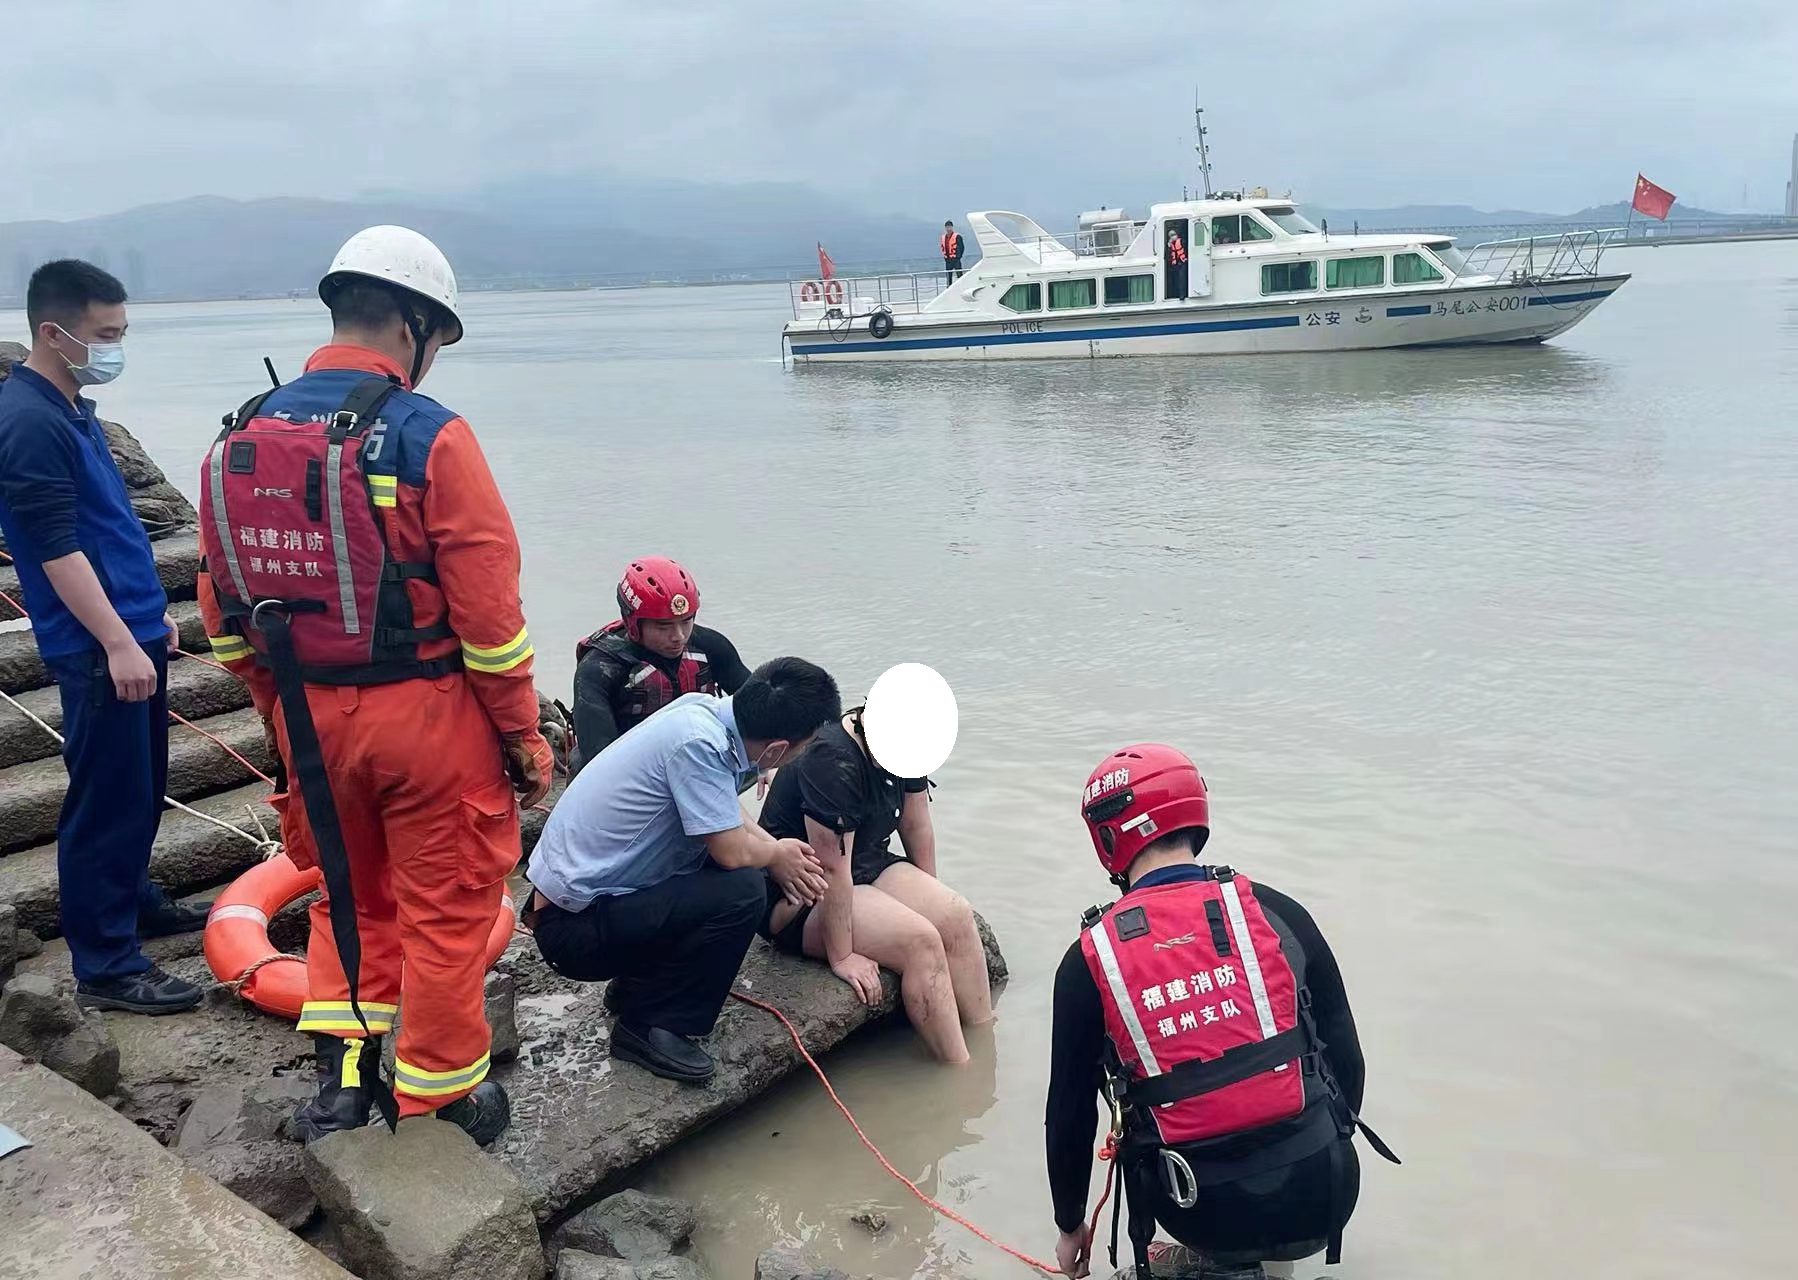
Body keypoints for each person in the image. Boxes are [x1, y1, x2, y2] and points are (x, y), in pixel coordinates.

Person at [196, 225, 553, 1147]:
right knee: (448, 910)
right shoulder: (432, 438)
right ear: (415, 324)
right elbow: (489, 619)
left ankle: (344, 1088)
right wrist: (521, 735)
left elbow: (224, 615)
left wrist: (282, 716)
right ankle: (438, 1099)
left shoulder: (236, 438)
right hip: (427, 719)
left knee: (346, 901)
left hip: (308, 721)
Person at [1045, 745, 1397, 1279]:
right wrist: (1320, 1147)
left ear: (1109, 837)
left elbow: (1069, 1117)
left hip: (1198, 1212)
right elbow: (1347, 1060)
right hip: (1325, 1190)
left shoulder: (1089, 961)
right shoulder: (1276, 911)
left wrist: (1071, 1225)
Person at [0, 259, 208, 1016]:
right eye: (105, 335)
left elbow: (106, 528)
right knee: (107, 797)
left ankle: (136, 902)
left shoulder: (71, 405)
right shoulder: (27, 421)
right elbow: (56, 549)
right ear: (54, 333)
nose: (115, 348)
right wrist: (118, 641)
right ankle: (107, 964)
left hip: (128, 625)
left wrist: (147, 621)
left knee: (142, 785)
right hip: (94, 643)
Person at [523, 658, 841, 1085]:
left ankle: (639, 984)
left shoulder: (702, 714)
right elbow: (730, 850)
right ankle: (651, 1024)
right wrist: (774, 855)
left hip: (585, 908)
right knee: (743, 888)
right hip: (571, 931)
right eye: (803, 748)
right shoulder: (698, 745)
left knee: (740, 864)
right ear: (777, 750)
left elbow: (723, 811)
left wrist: (774, 852)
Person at [756, 667, 992, 1064]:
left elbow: (916, 825)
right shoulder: (832, 760)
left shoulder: (910, 743)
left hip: (865, 862)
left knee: (955, 915)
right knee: (921, 943)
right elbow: (831, 871)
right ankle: (960, 1071)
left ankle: (987, 1042)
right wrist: (843, 956)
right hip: (801, 893)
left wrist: (927, 893)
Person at [568, 556, 751, 775]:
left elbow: (759, 706)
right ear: (633, 622)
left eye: (686, 621)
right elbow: (598, 756)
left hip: (698, 763)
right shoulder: (599, 669)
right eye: (663, 627)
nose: (679, 636)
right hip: (626, 773)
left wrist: (763, 761)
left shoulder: (712, 647)